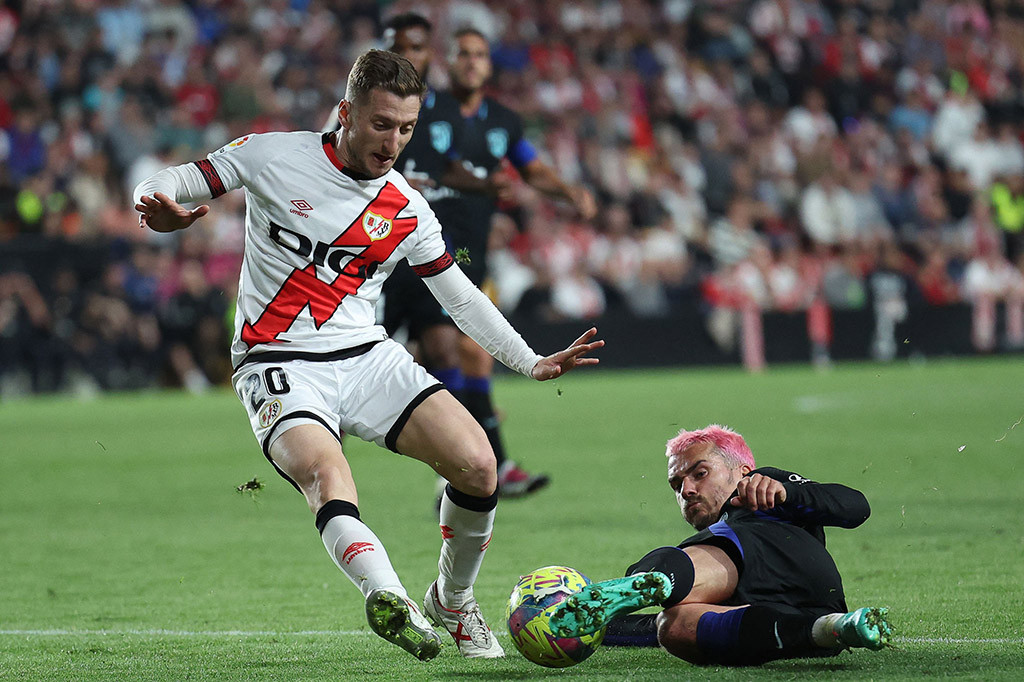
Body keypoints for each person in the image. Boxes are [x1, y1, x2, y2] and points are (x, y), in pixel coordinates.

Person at [133, 49, 603, 662]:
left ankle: (452, 600)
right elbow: (171, 179)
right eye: (381, 124)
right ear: (346, 113)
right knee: (327, 475)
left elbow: (460, 297)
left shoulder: (406, 207)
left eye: (406, 128)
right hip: (276, 360)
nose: (393, 143)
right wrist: (155, 203)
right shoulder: (274, 156)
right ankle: (389, 597)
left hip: (366, 357)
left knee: (479, 466)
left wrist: (530, 360)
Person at [548, 424, 892, 666]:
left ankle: (651, 579)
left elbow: (855, 507)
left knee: (698, 557)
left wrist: (788, 492)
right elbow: (648, 629)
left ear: (742, 470)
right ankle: (833, 628)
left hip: (782, 555)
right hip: (786, 616)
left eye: (700, 474)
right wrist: (581, 629)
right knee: (673, 625)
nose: (686, 490)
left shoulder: (764, 493)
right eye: (677, 485)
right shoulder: (711, 539)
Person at [436, 26, 598, 496]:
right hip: (421, 249)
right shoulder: (426, 113)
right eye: (462, 53)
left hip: (471, 253)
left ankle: (470, 467)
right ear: (449, 62)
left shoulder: (502, 121)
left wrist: (568, 192)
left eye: (479, 54)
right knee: (454, 352)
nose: (471, 61)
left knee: (469, 358)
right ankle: (472, 466)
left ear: (488, 65)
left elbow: (533, 169)